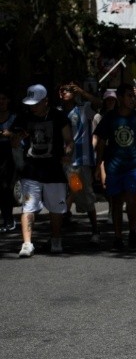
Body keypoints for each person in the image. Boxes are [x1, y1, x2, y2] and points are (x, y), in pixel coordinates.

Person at [6, 84, 73, 256]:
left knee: (56, 208)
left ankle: (56, 239)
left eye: (36, 103)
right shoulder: (24, 117)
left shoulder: (58, 116)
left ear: (46, 101)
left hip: (54, 170)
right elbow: (14, 139)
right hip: (31, 170)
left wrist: (67, 152)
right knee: (28, 207)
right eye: (30, 104)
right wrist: (15, 140)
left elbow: (68, 140)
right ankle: (27, 243)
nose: (32, 107)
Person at [94, 83, 136, 251]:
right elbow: (101, 142)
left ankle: (132, 230)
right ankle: (118, 236)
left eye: (133, 96)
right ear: (119, 98)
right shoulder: (110, 117)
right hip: (114, 166)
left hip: (133, 166)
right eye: (129, 95)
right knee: (116, 202)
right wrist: (99, 165)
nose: (132, 99)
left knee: (132, 201)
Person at [58, 82, 102, 243]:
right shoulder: (57, 112)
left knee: (82, 193)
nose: (64, 93)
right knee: (63, 194)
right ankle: (57, 232)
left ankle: (95, 229)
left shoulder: (84, 109)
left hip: (79, 161)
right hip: (61, 161)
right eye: (62, 90)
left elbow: (99, 104)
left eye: (69, 90)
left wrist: (82, 92)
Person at [0, 88, 17, 232]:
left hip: (9, 157)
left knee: (6, 188)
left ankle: (8, 219)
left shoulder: (13, 118)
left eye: (4, 99)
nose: (1, 102)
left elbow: (21, 136)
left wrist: (10, 134)